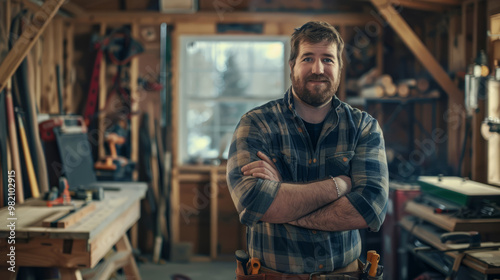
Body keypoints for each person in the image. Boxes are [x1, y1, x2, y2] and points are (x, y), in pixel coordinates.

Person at [226, 21, 389, 278]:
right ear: (292, 66)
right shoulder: (255, 124)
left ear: (339, 67)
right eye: (308, 58)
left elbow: (370, 208)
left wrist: (282, 198)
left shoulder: (363, 127)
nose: (318, 68)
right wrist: (339, 186)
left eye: (327, 59)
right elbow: (253, 203)